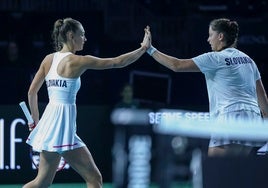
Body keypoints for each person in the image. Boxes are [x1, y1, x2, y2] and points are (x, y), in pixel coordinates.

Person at [23, 18, 150, 188]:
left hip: (50, 126)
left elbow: (32, 92)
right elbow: (117, 62)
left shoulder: (48, 59)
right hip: (61, 128)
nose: (85, 38)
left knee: (42, 182)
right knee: (94, 179)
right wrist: (143, 49)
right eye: (82, 34)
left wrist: (36, 122)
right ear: (70, 35)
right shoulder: (78, 61)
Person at [145, 18, 268, 157]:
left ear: (220, 36)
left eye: (211, 35)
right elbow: (263, 100)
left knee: (214, 171)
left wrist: (150, 49)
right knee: (234, 173)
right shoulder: (249, 61)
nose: (208, 40)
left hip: (229, 116)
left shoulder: (215, 58)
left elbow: (176, 65)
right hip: (252, 120)